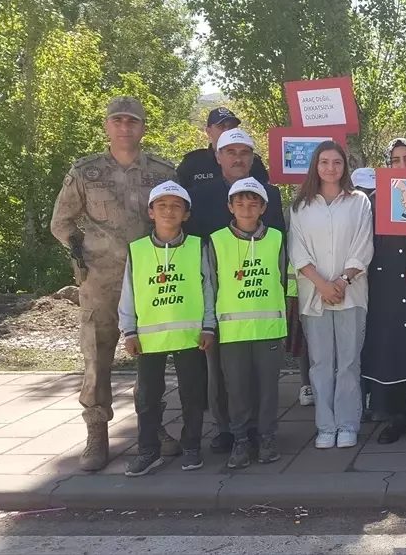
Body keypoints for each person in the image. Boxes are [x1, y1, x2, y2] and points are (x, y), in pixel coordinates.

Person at [50, 95, 178, 471]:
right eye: (118, 120)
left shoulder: (162, 173)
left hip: (151, 277)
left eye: (132, 121)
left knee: (152, 354)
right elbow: (61, 222)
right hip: (101, 279)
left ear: (143, 128)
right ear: (107, 125)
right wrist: (83, 252)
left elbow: (175, 216)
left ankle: (151, 425)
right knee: (97, 354)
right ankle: (96, 430)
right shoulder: (86, 171)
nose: (125, 127)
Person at [184, 128, 288, 455]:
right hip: (219, 296)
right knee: (220, 374)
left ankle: (257, 430)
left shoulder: (269, 195)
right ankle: (226, 430)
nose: (238, 158)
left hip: (259, 301)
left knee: (257, 376)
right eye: (231, 152)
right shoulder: (200, 195)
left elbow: (278, 248)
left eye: (245, 152)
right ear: (218, 156)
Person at [118, 181, 212, 476]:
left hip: (190, 336)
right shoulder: (138, 250)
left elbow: (208, 288)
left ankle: (192, 446)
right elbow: (129, 292)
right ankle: (148, 450)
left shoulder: (197, 246)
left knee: (192, 395)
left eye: (176, 206)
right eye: (162, 206)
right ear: (151, 212)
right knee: (147, 397)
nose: (169, 211)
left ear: (186, 213)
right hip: (149, 338)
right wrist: (129, 330)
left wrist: (209, 326)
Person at [289, 142, 374, 450]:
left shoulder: (359, 202)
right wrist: (322, 285)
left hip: (351, 293)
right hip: (315, 296)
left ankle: (348, 424)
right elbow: (297, 251)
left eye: (336, 162)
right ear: (315, 165)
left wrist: (341, 280)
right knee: (321, 363)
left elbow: (363, 245)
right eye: (324, 162)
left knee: (349, 362)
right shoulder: (300, 206)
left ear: (344, 167)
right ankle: (326, 426)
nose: (330, 168)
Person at [206, 178, 292, 468]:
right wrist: (210, 325)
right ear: (230, 207)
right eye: (240, 203)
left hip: (269, 328)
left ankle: (266, 437)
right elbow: (211, 285)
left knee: (268, 389)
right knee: (237, 389)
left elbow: (282, 278)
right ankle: (240, 439)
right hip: (232, 331)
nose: (246, 208)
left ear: (263, 207)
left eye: (253, 203)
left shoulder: (276, 238)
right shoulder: (217, 241)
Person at [363, 139, 406, 444]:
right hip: (386, 284)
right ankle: (396, 417)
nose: (402, 165)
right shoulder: (373, 201)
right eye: (395, 160)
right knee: (389, 350)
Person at [176, 106, 269, 188]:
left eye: (231, 126)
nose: (227, 130)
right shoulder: (193, 163)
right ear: (208, 131)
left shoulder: (253, 162)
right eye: (221, 126)